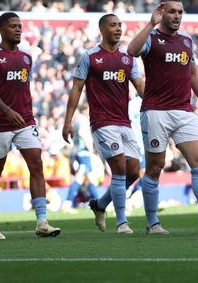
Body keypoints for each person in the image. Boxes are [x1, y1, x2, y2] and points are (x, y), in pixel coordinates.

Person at [127, 0, 198, 235]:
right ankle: (152, 224)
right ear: (162, 13)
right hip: (156, 111)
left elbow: (193, 73)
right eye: (172, 12)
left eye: (180, 12)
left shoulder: (186, 41)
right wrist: (150, 24)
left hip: (184, 110)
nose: (177, 16)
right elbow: (131, 51)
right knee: (154, 167)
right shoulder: (151, 39)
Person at [0, 12, 61, 240]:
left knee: (37, 165)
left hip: (25, 121)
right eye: (13, 26)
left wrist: (22, 112)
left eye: (20, 26)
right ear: (1, 29)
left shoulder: (27, 57)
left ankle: (42, 222)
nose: (18, 29)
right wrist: (7, 110)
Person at [62, 14, 145, 234]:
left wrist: (157, 103)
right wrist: (67, 121)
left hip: (124, 122)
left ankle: (99, 205)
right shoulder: (90, 56)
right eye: (113, 25)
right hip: (102, 121)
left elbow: (140, 86)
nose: (118, 28)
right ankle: (122, 222)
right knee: (118, 168)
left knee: (133, 172)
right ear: (102, 29)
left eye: (119, 25)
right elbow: (77, 89)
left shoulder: (128, 58)